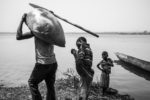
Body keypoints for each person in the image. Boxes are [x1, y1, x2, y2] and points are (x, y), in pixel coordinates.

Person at [16, 13, 58, 100]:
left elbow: (18, 36)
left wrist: (22, 20)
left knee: (32, 82)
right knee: (50, 86)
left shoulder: (37, 32)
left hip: (42, 64)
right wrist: (52, 16)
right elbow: (33, 28)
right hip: (53, 63)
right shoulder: (53, 30)